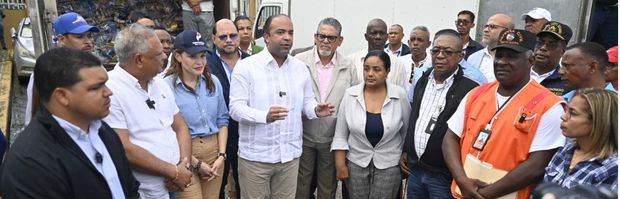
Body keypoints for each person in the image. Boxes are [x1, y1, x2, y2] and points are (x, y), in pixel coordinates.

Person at [0, 47, 139, 198]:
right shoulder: (30, 162)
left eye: (105, 84)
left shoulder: (102, 130)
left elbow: (129, 186)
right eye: (96, 87)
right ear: (62, 96)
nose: (108, 92)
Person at [443, 29, 566, 199]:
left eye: (511, 56)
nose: (501, 62)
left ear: (530, 60)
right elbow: (450, 139)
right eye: (499, 55)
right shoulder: (476, 94)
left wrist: (485, 194)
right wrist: (463, 181)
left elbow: (537, 166)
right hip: (462, 193)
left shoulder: (549, 106)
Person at [228, 14, 335, 198]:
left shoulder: (300, 68)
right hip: (256, 159)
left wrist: (315, 110)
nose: (287, 37)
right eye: (280, 32)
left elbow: (307, 102)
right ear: (266, 37)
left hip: (289, 158)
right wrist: (264, 116)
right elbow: (235, 109)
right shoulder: (247, 67)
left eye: (290, 33)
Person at [103, 24, 193, 199]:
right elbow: (125, 148)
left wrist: (184, 166)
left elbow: (180, 126)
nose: (165, 56)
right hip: (144, 191)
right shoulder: (110, 90)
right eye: (158, 53)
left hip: (174, 186)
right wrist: (173, 172)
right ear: (138, 60)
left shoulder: (159, 83)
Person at [400, 29, 480, 198]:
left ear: (460, 56)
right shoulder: (423, 79)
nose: (440, 55)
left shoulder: (470, 89)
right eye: (436, 50)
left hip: (444, 176)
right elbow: (414, 117)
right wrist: (407, 150)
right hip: (416, 170)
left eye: (448, 51)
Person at [331, 50, 411, 198]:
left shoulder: (399, 95)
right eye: (366, 68)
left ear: (387, 71)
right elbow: (341, 134)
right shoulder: (351, 94)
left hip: (389, 164)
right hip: (356, 163)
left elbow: (406, 131)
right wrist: (340, 164)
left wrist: (404, 155)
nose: (370, 73)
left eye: (377, 69)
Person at [294, 17, 358, 199]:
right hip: (303, 135)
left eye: (331, 38)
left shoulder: (348, 66)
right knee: (301, 186)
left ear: (340, 41)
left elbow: (353, 103)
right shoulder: (299, 62)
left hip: (332, 139)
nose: (325, 41)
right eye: (322, 36)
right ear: (315, 37)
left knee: (327, 188)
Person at [164, 29, 229, 199]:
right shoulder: (166, 87)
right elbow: (169, 130)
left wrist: (221, 156)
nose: (200, 61)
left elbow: (223, 120)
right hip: (185, 156)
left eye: (202, 56)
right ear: (178, 56)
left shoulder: (213, 82)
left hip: (214, 153)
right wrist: (195, 163)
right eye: (192, 56)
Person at [26, 11, 100, 126]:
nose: (88, 42)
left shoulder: (97, 68)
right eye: (79, 37)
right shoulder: (45, 73)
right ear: (62, 39)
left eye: (89, 36)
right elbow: (32, 115)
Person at [543, 88, 618, 191]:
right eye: (566, 111)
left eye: (573, 113)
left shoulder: (612, 168)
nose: (563, 117)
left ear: (597, 122)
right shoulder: (565, 151)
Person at [208, 19, 250, 199]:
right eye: (223, 36)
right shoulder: (205, 62)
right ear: (214, 38)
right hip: (218, 135)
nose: (229, 40)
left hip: (247, 132)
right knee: (217, 184)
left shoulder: (252, 62)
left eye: (233, 35)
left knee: (246, 185)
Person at [349, 19, 408, 89]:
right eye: (374, 33)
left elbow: (401, 93)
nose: (378, 37)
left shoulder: (397, 63)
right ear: (366, 36)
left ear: (386, 37)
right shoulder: (352, 61)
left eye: (381, 33)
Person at [467, 13, 514, 82]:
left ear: (507, 31)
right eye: (486, 26)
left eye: (492, 26)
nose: (486, 30)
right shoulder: (473, 58)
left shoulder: (517, 58)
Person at [532, 21, 572, 96]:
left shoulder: (566, 82)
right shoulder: (519, 74)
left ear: (562, 52)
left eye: (552, 45)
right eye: (540, 42)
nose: (543, 48)